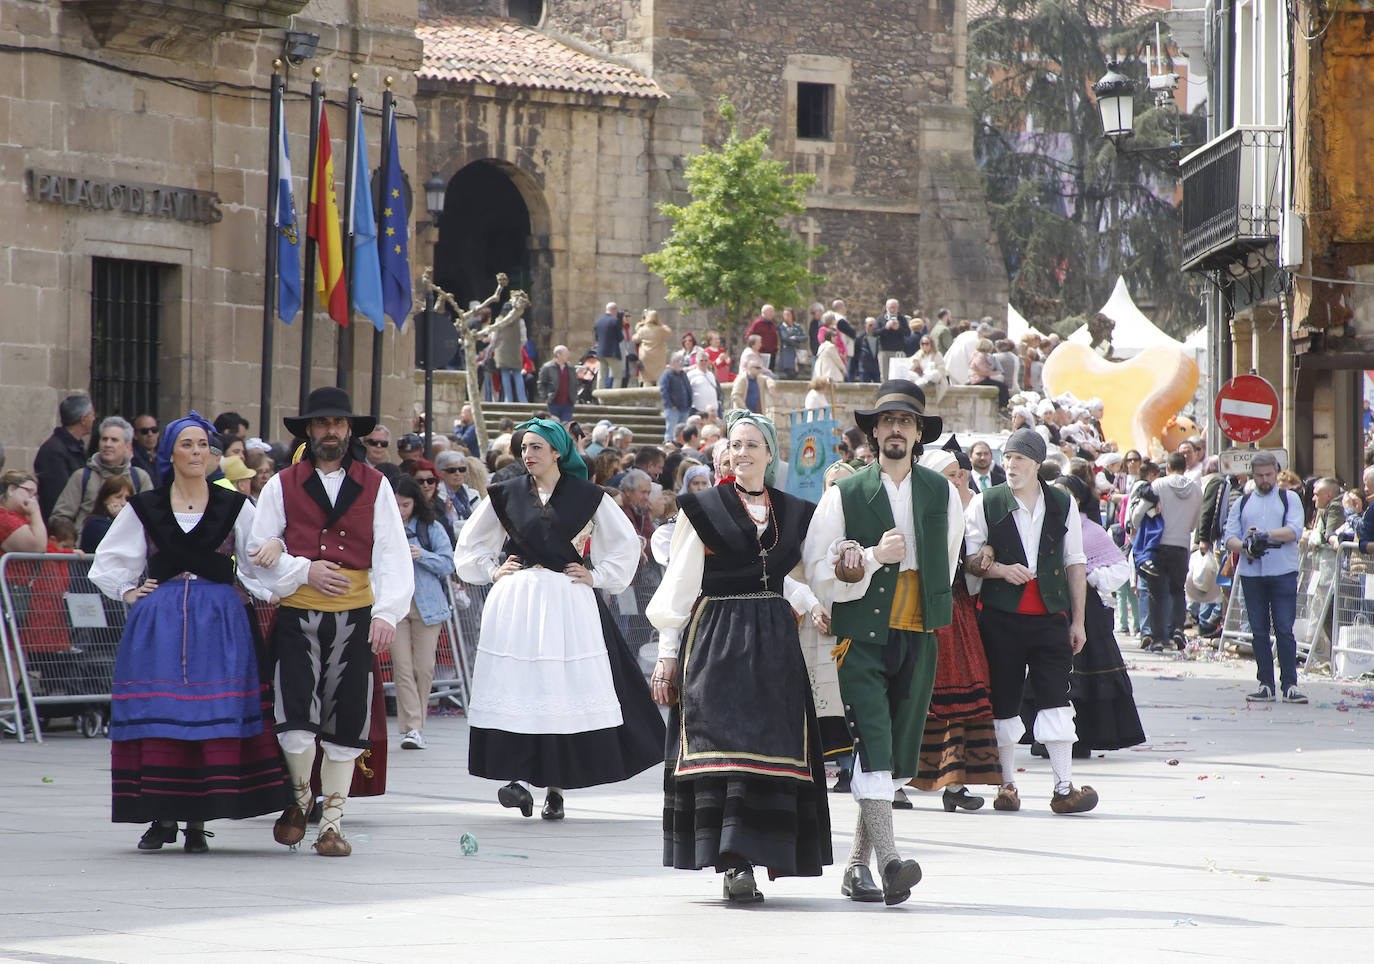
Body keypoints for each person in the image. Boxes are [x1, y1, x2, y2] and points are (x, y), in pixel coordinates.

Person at [649, 410, 830, 904]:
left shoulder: (794, 511)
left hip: (773, 645)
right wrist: (667, 656)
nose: (742, 452)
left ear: (770, 454)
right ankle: (733, 862)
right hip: (717, 639)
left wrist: (816, 600)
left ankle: (759, 852)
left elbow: (792, 576)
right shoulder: (703, 508)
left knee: (771, 748)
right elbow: (680, 585)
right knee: (722, 746)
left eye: (753, 444)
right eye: (735, 443)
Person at [88, 411, 288, 852]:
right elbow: (108, 563)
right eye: (187, 445)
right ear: (171, 453)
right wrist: (129, 592)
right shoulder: (147, 506)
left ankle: (197, 820)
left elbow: (261, 560)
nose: (197, 453)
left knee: (206, 715)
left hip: (219, 624)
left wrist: (275, 560)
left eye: (203, 445)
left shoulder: (235, 505)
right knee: (162, 714)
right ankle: (161, 817)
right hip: (158, 624)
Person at [455, 418, 664, 820]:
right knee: (521, 685)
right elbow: (470, 545)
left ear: (557, 452)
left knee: (560, 687)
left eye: (536, 447)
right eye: (523, 448)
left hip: (567, 601)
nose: (527, 455)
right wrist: (490, 570)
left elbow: (623, 546)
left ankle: (555, 787)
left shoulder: (588, 496)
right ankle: (516, 776)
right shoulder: (504, 493)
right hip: (518, 600)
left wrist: (597, 575)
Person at [803, 380, 962, 905]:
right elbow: (818, 567)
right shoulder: (844, 493)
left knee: (894, 754)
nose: (895, 429)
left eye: (906, 422)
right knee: (873, 743)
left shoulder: (941, 492)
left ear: (918, 434)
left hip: (919, 631)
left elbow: (950, 556)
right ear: (872, 432)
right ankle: (891, 860)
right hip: (862, 634)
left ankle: (855, 868)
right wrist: (871, 558)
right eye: (886, 421)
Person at [248, 387, 414, 857]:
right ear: (308, 431)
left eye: (338, 424)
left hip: (356, 616)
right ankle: (300, 804)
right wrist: (303, 568)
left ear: (349, 431)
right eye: (321, 424)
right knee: (295, 716)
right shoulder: (281, 483)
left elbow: (392, 555)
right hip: (298, 613)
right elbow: (257, 555)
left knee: (346, 719)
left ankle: (332, 825)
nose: (330, 431)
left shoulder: (376, 483)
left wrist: (386, 613)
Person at [963, 427, 1098, 815]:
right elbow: (970, 564)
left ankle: (1064, 787)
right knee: (1003, 701)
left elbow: (1075, 561)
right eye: (1006, 458)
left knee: (1056, 701)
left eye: (1018, 459)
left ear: (1037, 464)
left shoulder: (1061, 502)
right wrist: (1001, 570)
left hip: (1050, 618)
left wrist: (1078, 622)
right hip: (1001, 619)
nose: (1010, 465)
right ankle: (1006, 786)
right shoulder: (986, 502)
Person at [906, 448, 1001, 810]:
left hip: (956, 609)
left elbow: (971, 559)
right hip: (919, 608)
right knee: (916, 696)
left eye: (960, 473)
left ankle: (954, 783)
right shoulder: (918, 511)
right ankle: (899, 781)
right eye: (949, 475)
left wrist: (988, 548)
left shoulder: (971, 511)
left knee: (963, 691)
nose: (959, 479)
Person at [1037, 475, 1145, 757]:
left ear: (1079, 499)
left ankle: (1082, 736)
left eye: (1066, 494)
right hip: (1051, 608)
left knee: (1086, 673)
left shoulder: (1090, 530)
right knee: (1050, 672)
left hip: (1086, 613)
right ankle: (1047, 737)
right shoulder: (1042, 524)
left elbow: (1119, 569)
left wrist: (1089, 576)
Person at [1224, 451, 1306, 704]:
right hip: (1252, 572)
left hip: (1282, 570)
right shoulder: (1243, 502)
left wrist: (1264, 535)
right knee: (1258, 631)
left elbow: (1294, 531)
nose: (1264, 480)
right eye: (1259, 476)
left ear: (1276, 473)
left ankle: (1290, 684)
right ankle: (1265, 684)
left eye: (1269, 475)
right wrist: (1247, 544)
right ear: (1253, 476)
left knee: (1284, 629)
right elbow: (1229, 537)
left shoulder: (1288, 497)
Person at [390, 475, 454, 751]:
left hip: (427, 604)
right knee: (402, 668)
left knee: (424, 667)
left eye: (404, 505)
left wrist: (421, 555)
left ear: (415, 503)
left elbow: (448, 563)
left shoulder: (431, 527)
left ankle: (417, 725)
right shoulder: (383, 527)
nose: (400, 510)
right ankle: (412, 728)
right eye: (395, 505)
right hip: (395, 603)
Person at [1132, 451, 1202, 652]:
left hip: (1158, 544)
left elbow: (1139, 512)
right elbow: (1194, 523)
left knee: (1156, 593)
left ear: (1168, 468)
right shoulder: (1196, 490)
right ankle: (1178, 629)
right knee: (1177, 590)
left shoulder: (1158, 485)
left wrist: (1136, 526)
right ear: (1185, 467)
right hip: (1181, 544)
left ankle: (1159, 639)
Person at [51, 416, 153, 528]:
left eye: (114, 440)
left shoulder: (140, 478)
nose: (107, 444)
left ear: (127, 447)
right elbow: (60, 517)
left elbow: (151, 518)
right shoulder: (81, 477)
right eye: (104, 439)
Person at [34, 394, 97, 521]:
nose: (94, 419)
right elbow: (55, 498)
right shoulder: (54, 451)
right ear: (84, 419)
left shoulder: (76, 447)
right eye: (92, 415)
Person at [79, 475, 135, 552]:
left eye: (127, 498)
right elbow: (119, 543)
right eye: (118, 497)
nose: (123, 503)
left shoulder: (131, 521)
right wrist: (119, 518)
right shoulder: (94, 523)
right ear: (105, 499)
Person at [0, 471, 47, 553]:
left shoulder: (23, 517)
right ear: (11, 489)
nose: (33, 499)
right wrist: (35, 512)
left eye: (35, 495)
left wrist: (70, 552)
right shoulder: (3, 518)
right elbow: (38, 547)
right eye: (29, 491)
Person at [633, 308, 674, 386]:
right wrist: (661, 324)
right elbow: (669, 333)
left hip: (645, 356)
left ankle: (646, 396)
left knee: (646, 380)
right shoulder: (660, 329)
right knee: (659, 379)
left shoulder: (642, 329)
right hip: (658, 357)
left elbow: (635, 339)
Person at [538, 344, 578, 423]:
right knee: (555, 425)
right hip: (553, 402)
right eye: (566, 354)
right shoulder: (547, 367)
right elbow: (541, 383)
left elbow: (575, 383)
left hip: (568, 403)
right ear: (558, 355)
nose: (568, 356)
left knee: (566, 425)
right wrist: (545, 397)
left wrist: (574, 396)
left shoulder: (571, 368)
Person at [659, 351, 693, 442]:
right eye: (680, 362)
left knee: (682, 432)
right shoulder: (667, 374)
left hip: (684, 408)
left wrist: (690, 402)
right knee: (671, 431)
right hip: (673, 409)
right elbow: (664, 391)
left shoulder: (683, 374)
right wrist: (670, 405)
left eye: (683, 362)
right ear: (673, 362)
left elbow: (688, 389)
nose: (682, 364)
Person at [875, 299, 911, 381]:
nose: (892, 310)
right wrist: (885, 328)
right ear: (886, 308)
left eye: (894, 308)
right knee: (885, 375)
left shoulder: (901, 319)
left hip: (898, 351)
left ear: (898, 308)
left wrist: (898, 328)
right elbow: (875, 333)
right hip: (884, 351)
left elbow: (908, 333)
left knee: (898, 375)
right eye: (891, 307)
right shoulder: (881, 318)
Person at [909, 334, 949, 403]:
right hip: (922, 376)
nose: (925, 345)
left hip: (933, 376)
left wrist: (933, 369)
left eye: (927, 343)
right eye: (923, 343)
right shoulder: (919, 353)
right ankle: (918, 385)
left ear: (931, 344)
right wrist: (915, 363)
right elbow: (910, 365)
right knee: (909, 374)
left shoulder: (937, 354)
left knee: (934, 373)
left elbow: (942, 369)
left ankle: (923, 383)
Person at [594, 302, 624, 389]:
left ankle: (600, 397)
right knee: (617, 375)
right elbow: (620, 338)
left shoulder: (598, 321)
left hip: (600, 352)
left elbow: (597, 338)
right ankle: (614, 397)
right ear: (614, 310)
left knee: (601, 375)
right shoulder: (615, 321)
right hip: (613, 352)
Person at [686, 348, 722, 417]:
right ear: (697, 362)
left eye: (706, 360)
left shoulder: (711, 374)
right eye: (701, 360)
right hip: (698, 410)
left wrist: (720, 400)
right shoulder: (690, 375)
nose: (704, 362)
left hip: (714, 411)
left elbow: (717, 389)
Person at [848, 316, 882, 382]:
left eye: (875, 325)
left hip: (877, 368)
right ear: (865, 325)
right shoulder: (860, 338)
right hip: (864, 369)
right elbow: (855, 355)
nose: (873, 328)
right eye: (870, 325)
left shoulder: (880, 337)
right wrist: (855, 373)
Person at [776, 306, 807, 378]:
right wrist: (797, 343)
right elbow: (785, 338)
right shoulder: (783, 326)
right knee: (790, 372)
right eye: (785, 315)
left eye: (788, 315)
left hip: (797, 352)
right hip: (788, 351)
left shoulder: (797, 326)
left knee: (798, 371)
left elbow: (805, 337)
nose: (786, 316)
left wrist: (796, 338)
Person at [131, 413, 160, 480]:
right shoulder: (132, 458)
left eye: (154, 430)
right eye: (144, 431)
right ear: (135, 435)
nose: (150, 434)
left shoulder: (166, 455)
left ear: (158, 432)